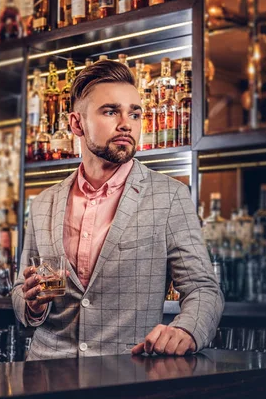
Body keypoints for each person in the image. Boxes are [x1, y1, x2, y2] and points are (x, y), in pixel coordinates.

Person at [12, 60, 223, 360]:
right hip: (45, 376)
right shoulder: (44, 202)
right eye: (111, 111)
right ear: (76, 124)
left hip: (127, 377)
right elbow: (21, 289)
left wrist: (187, 331)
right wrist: (32, 304)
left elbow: (204, 289)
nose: (126, 123)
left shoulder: (170, 196)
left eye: (135, 113)